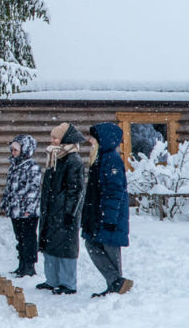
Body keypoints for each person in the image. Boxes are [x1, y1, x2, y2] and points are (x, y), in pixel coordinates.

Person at [82, 123, 134, 297]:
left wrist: (110, 218)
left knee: (110, 250)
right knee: (92, 244)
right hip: (99, 213)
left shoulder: (111, 159)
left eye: (93, 138)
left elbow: (114, 190)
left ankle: (116, 286)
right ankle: (116, 283)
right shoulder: (100, 158)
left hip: (109, 215)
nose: (90, 141)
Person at [37, 122, 87, 295]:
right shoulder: (55, 157)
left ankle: (68, 283)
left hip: (64, 212)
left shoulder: (73, 160)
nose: (52, 140)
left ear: (65, 138)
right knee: (50, 246)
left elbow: (76, 189)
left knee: (66, 248)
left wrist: (70, 212)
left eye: (55, 137)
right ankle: (52, 280)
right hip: (52, 211)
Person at [1, 134, 42, 277]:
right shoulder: (14, 167)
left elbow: (34, 189)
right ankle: (21, 264)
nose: (13, 153)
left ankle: (29, 266)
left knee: (28, 238)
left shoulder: (32, 167)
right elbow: (9, 188)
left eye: (16, 150)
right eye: (12, 150)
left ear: (25, 150)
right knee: (20, 237)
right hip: (15, 210)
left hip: (27, 211)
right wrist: (5, 204)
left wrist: (29, 209)